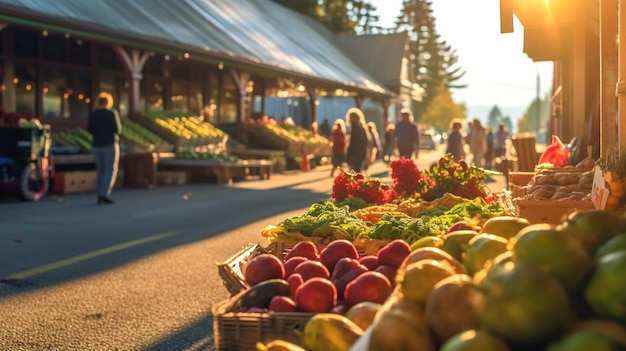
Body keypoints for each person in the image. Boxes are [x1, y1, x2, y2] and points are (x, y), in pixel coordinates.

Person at [87, 92, 122, 205]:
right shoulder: (111, 113)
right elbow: (117, 130)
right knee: (109, 170)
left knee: (100, 170)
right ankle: (104, 194)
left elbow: (89, 129)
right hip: (109, 144)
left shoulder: (93, 114)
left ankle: (100, 193)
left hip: (96, 144)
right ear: (108, 102)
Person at [345, 107, 370, 173]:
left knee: (355, 174)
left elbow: (353, 143)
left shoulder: (356, 127)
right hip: (361, 154)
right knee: (357, 173)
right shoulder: (361, 126)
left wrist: (349, 155)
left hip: (355, 155)